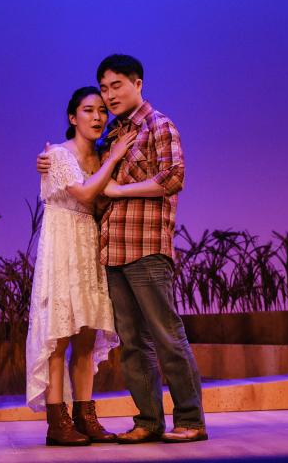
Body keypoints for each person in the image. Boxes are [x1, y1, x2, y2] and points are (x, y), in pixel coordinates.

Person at [37, 54, 208, 443]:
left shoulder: (158, 125)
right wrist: (51, 167)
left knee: (166, 334)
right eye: (103, 88)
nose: (109, 96)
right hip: (112, 251)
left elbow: (173, 177)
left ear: (138, 84)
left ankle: (190, 419)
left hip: (146, 245)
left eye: (116, 86)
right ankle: (148, 420)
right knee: (133, 344)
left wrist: (119, 190)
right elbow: (90, 188)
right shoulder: (114, 135)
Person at [26, 86, 137, 447]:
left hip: (89, 244)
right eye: (89, 110)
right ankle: (57, 422)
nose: (97, 117)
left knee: (86, 334)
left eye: (103, 111)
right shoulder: (58, 155)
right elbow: (86, 194)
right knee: (59, 334)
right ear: (73, 117)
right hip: (62, 245)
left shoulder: (102, 154)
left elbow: (102, 204)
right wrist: (115, 157)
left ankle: (85, 416)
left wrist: (112, 158)